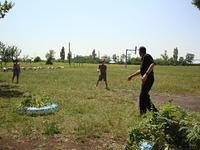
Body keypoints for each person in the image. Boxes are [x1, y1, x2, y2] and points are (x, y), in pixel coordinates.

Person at [128, 46, 158, 115]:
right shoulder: (143, 59)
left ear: (140, 52)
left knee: (143, 96)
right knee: (145, 96)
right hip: (145, 80)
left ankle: (145, 113)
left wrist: (146, 74)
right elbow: (140, 71)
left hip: (149, 79)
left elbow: (152, 64)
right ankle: (153, 113)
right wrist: (132, 76)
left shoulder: (147, 56)